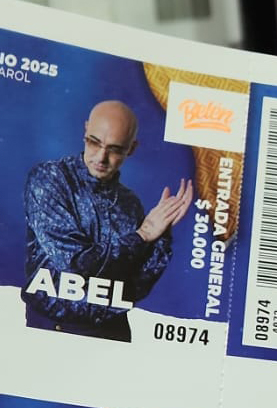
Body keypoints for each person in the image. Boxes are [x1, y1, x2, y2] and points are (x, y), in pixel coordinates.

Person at [23, 99, 193, 341]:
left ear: (131, 149)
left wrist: (160, 235)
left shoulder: (129, 203)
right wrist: (143, 235)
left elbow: (134, 288)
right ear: (85, 131)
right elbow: (74, 263)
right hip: (53, 328)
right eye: (94, 142)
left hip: (113, 332)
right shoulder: (50, 179)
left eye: (115, 149)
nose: (101, 157)